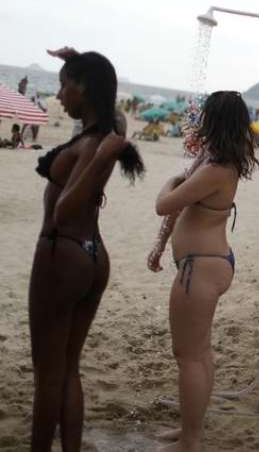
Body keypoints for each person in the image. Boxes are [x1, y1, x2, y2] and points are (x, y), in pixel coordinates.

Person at [29, 47, 145, 451]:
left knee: (47, 371)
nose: (59, 95)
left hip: (62, 252)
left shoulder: (95, 146)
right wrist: (85, 62)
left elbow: (62, 211)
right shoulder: (110, 130)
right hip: (94, 254)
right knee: (69, 367)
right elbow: (115, 115)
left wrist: (97, 164)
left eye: (64, 85)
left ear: (84, 88)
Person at [150, 91, 259, 451]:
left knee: (188, 356)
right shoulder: (213, 160)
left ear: (213, 121)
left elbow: (165, 203)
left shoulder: (216, 168)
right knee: (199, 352)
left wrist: (173, 179)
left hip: (200, 267)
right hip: (206, 263)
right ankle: (189, 430)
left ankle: (191, 440)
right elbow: (175, 214)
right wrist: (161, 244)